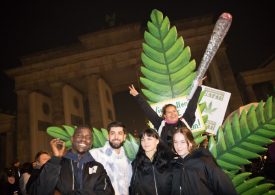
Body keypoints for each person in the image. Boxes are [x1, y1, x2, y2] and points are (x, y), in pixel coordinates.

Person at [27, 126, 114, 195]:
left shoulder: (98, 167)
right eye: (79, 135)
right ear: (72, 139)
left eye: (88, 137)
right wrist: (56, 159)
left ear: (91, 143)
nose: (84, 139)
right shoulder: (55, 164)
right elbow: (37, 192)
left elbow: (108, 193)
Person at [129, 80, 203, 147]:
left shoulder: (185, 120)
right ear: (165, 116)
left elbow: (192, 105)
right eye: (169, 112)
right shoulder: (160, 123)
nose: (173, 114)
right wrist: (137, 95)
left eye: (174, 111)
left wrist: (198, 87)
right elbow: (148, 110)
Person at [171, 127, 237, 195]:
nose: (178, 146)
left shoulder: (204, 161)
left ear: (190, 143)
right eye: (175, 142)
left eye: (183, 142)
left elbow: (224, 186)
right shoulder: (176, 165)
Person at [90, 121, 132, 195]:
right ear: (108, 136)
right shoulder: (95, 155)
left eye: (120, 133)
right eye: (112, 133)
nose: (116, 137)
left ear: (124, 137)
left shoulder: (128, 161)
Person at [130, 128, 174, 195]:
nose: (145, 142)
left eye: (149, 139)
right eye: (143, 139)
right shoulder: (136, 164)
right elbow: (133, 188)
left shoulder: (168, 161)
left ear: (157, 141)